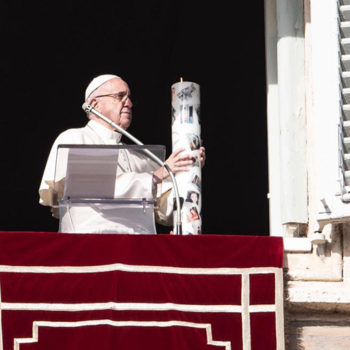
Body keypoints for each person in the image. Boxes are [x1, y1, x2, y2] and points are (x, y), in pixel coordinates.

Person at [39, 74, 206, 234]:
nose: (129, 103)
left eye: (129, 97)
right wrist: (155, 176)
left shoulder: (140, 157)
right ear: (95, 103)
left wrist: (188, 170)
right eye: (120, 96)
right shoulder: (75, 138)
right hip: (90, 245)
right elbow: (93, 187)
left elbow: (165, 212)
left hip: (139, 250)